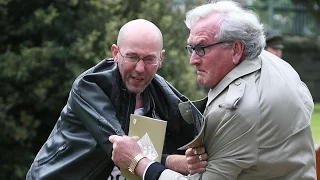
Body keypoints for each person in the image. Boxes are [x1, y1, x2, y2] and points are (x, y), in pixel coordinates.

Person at [109, 1, 316, 180]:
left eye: (202, 48)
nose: (193, 60)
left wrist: (138, 162)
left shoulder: (235, 108)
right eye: (191, 48)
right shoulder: (272, 63)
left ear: (236, 49)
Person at [26, 19, 207, 180]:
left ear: (161, 59)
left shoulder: (164, 95)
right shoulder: (90, 85)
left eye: (150, 59)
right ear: (115, 53)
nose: (140, 68)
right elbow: (122, 149)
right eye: (132, 57)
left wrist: (197, 157)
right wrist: (178, 162)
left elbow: (198, 130)